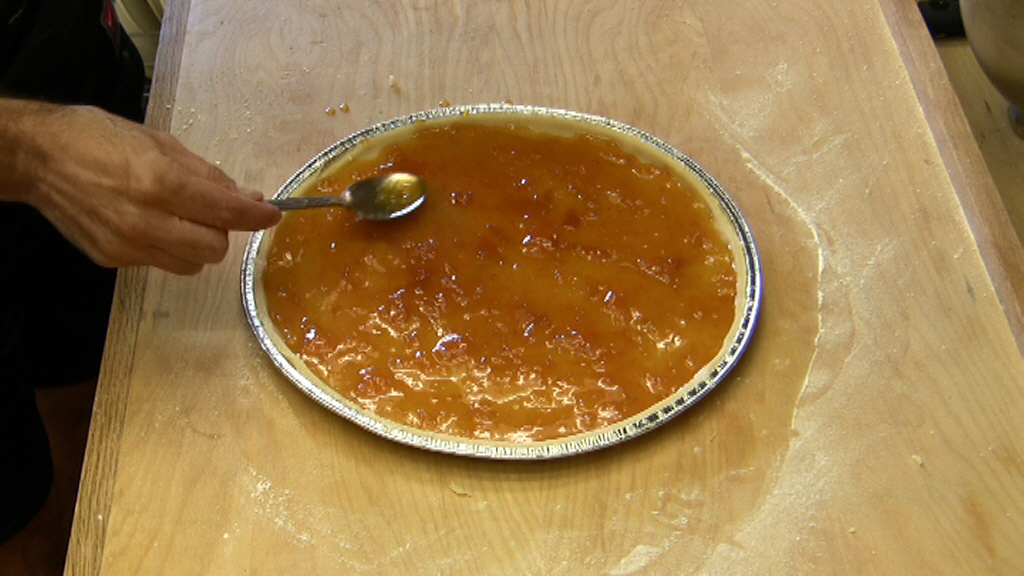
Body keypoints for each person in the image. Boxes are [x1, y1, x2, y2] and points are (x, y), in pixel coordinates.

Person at [0, 0, 280, 543]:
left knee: (95, 406)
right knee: (17, 522)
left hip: (75, 73)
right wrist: (29, 153)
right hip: (30, 144)